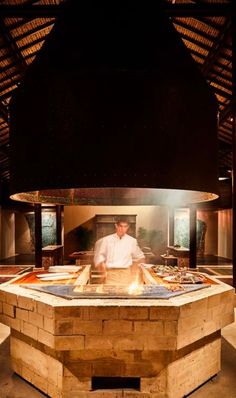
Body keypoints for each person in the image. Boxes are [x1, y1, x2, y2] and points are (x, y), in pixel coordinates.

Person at [93, 216, 145, 284]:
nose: (122, 229)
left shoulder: (132, 241)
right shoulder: (107, 240)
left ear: (128, 227)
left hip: (126, 274)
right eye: (120, 226)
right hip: (111, 274)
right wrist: (102, 267)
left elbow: (141, 257)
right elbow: (99, 256)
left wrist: (135, 270)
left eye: (125, 226)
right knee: (111, 293)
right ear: (116, 226)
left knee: (125, 294)